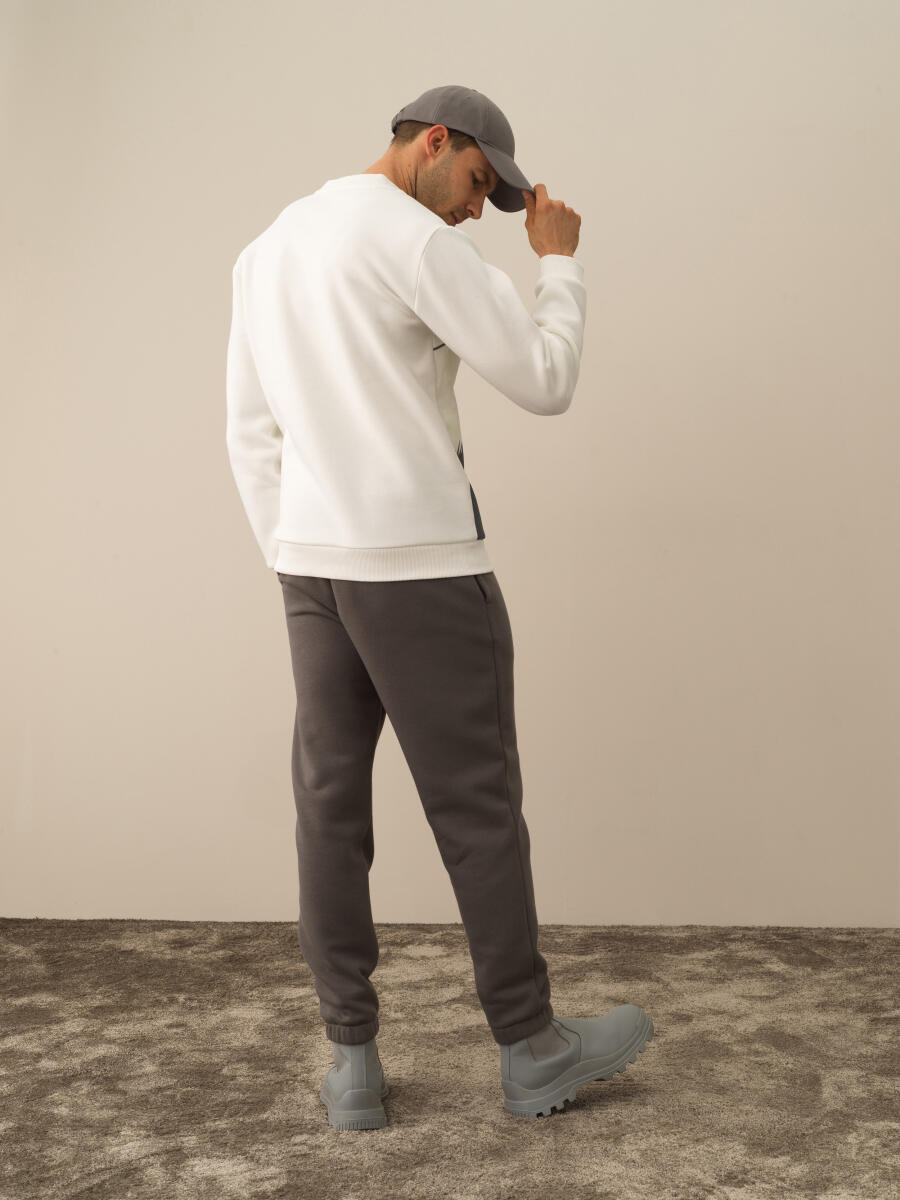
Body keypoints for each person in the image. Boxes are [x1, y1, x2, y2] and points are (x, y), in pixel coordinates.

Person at [225, 84, 652, 1130]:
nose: (474, 210)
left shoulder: (269, 247)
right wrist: (558, 263)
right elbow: (545, 378)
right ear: (434, 141)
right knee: (477, 810)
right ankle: (531, 1048)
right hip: (419, 567)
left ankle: (353, 1067)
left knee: (329, 812)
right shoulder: (412, 240)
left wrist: (295, 549)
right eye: (476, 182)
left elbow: (250, 428)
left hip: (315, 568)